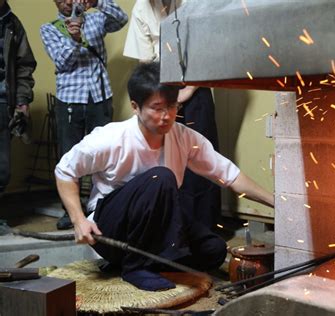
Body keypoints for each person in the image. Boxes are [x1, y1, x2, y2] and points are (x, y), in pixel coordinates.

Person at [55, 62, 274, 291]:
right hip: (111, 229)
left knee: (214, 250)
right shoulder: (110, 138)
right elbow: (64, 171)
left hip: (155, 230)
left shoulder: (184, 137)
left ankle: (142, 262)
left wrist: (275, 201)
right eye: (157, 108)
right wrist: (79, 220)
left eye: (171, 106)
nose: (166, 116)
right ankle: (135, 267)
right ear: (135, 107)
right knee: (160, 178)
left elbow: (228, 175)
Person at [123, 0, 222, 229]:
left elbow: (207, 52)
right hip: (161, 90)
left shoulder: (195, 3)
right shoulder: (141, 8)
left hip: (196, 87)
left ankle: (205, 228)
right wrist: (160, 98)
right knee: (165, 158)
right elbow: (145, 61)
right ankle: (173, 229)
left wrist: (186, 93)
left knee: (201, 154)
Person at [40, 0, 128, 230]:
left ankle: (103, 207)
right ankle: (71, 211)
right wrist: (75, 39)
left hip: (101, 95)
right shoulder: (49, 28)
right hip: (70, 99)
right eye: (62, 0)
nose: (68, 2)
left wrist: (97, 2)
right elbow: (63, 62)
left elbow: (121, 19)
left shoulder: (96, 18)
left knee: (106, 153)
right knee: (69, 155)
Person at [0, 0, 37, 196]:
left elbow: (25, 64)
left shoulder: (12, 23)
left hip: (3, 101)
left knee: (2, 169)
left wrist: (22, 100)